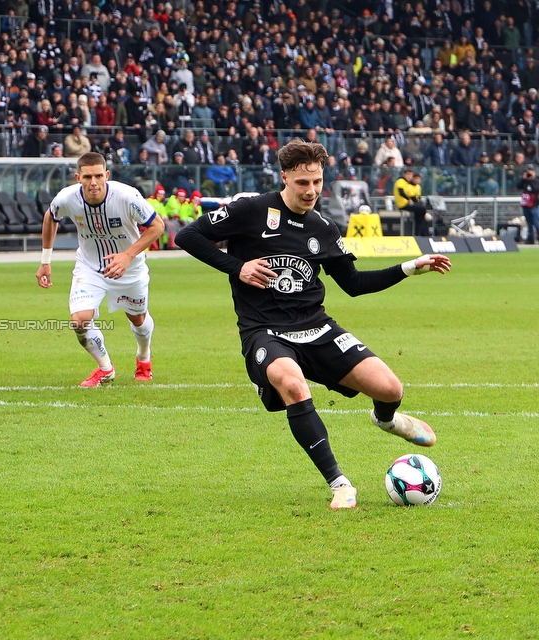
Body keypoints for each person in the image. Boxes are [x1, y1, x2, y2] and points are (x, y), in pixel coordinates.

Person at [176, 139, 452, 510]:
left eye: (318, 183)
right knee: (293, 383)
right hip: (265, 330)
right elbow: (186, 235)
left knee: (389, 388)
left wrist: (408, 267)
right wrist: (237, 266)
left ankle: (386, 420)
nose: (311, 191)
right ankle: (339, 483)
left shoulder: (323, 227)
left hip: (317, 327)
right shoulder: (251, 210)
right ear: (285, 176)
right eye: (303, 183)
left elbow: (353, 285)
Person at [36, 151, 166, 387]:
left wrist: (127, 256)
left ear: (107, 174)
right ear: (78, 177)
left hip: (130, 268)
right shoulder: (67, 198)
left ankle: (144, 357)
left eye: (98, 176)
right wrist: (46, 260)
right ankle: (105, 368)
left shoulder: (127, 196)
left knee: (137, 318)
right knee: (79, 321)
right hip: (89, 267)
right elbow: (50, 216)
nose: (93, 182)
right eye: (87, 177)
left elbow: (157, 226)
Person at [393, 168, 430, 236]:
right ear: (405, 174)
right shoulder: (401, 181)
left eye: (411, 175)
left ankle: (422, 233)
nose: (409, 176)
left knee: (420, 213)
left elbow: (413, 196)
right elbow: (401, 192)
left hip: (408, 203)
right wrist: (408, 199)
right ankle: (419, 232)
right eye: (408, 174)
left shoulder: (409, 184)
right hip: (403, 204)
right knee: (422, 210)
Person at [518, 165, 539, 245]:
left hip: (533, 204)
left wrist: (532, 179)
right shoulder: (525, 181)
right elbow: (519, 186)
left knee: (536, 222)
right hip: (526, 204)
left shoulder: (536, 180)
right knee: (529, 222)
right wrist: (524, 179)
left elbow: (535, 189)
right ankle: (531, 238)